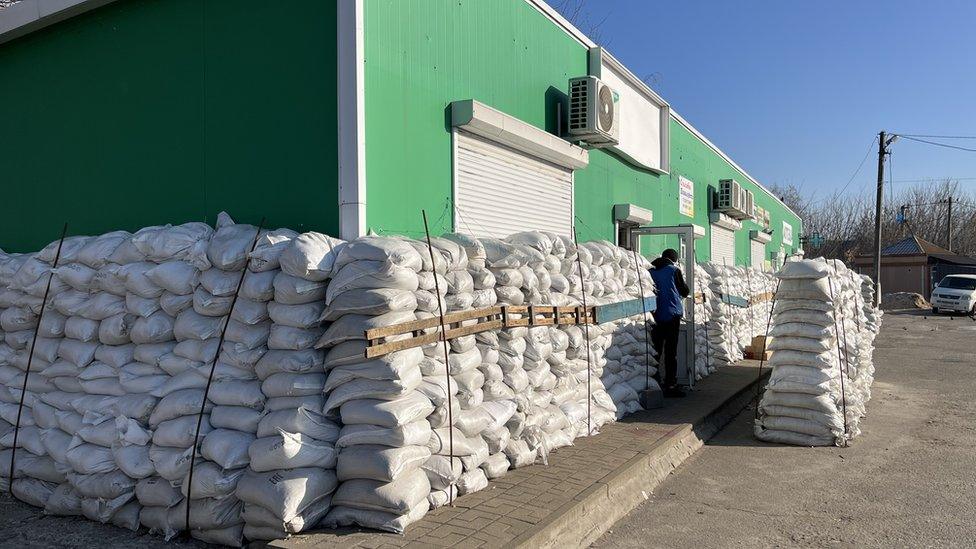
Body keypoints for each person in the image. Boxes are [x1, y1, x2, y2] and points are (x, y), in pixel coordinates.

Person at [650, 248, 690, 397]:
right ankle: (671, 385)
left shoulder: (651, 271)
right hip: (672, 316)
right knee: (671, 352)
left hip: (656, 316)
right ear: (674, 259)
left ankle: (654, 382)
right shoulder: (674, 270)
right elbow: (685, 291)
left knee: (656, 350)